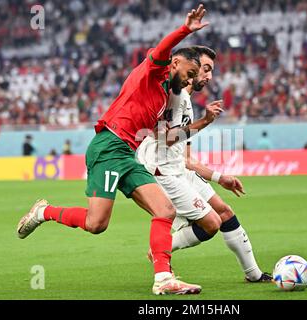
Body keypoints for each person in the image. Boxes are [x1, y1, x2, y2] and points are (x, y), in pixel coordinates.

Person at [16, 4, 212, 295]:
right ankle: (45, 212)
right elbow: (162, 47)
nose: (191, 79)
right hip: (108, 146)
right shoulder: (151, 72)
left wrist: (202, 122)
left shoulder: (162, 98)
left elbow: (167, 136)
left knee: (165, 210)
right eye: (190, 72)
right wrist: (185, 30)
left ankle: (163, 278)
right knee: (96, 224)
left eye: (195, 76)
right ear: (174, 64)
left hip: (126, 154)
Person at [137, 46, 272, 283]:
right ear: (192, 67)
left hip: (178, 168)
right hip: (161, 171)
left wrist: (221, 178)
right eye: (206, 69)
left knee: (225, 212)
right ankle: (161, 250)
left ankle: (254, 274)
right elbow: (166, 138)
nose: (209, 76)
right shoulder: (173, 96)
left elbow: (187, 159)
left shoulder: (186, 100)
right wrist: (205, 121)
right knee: (211, 224)